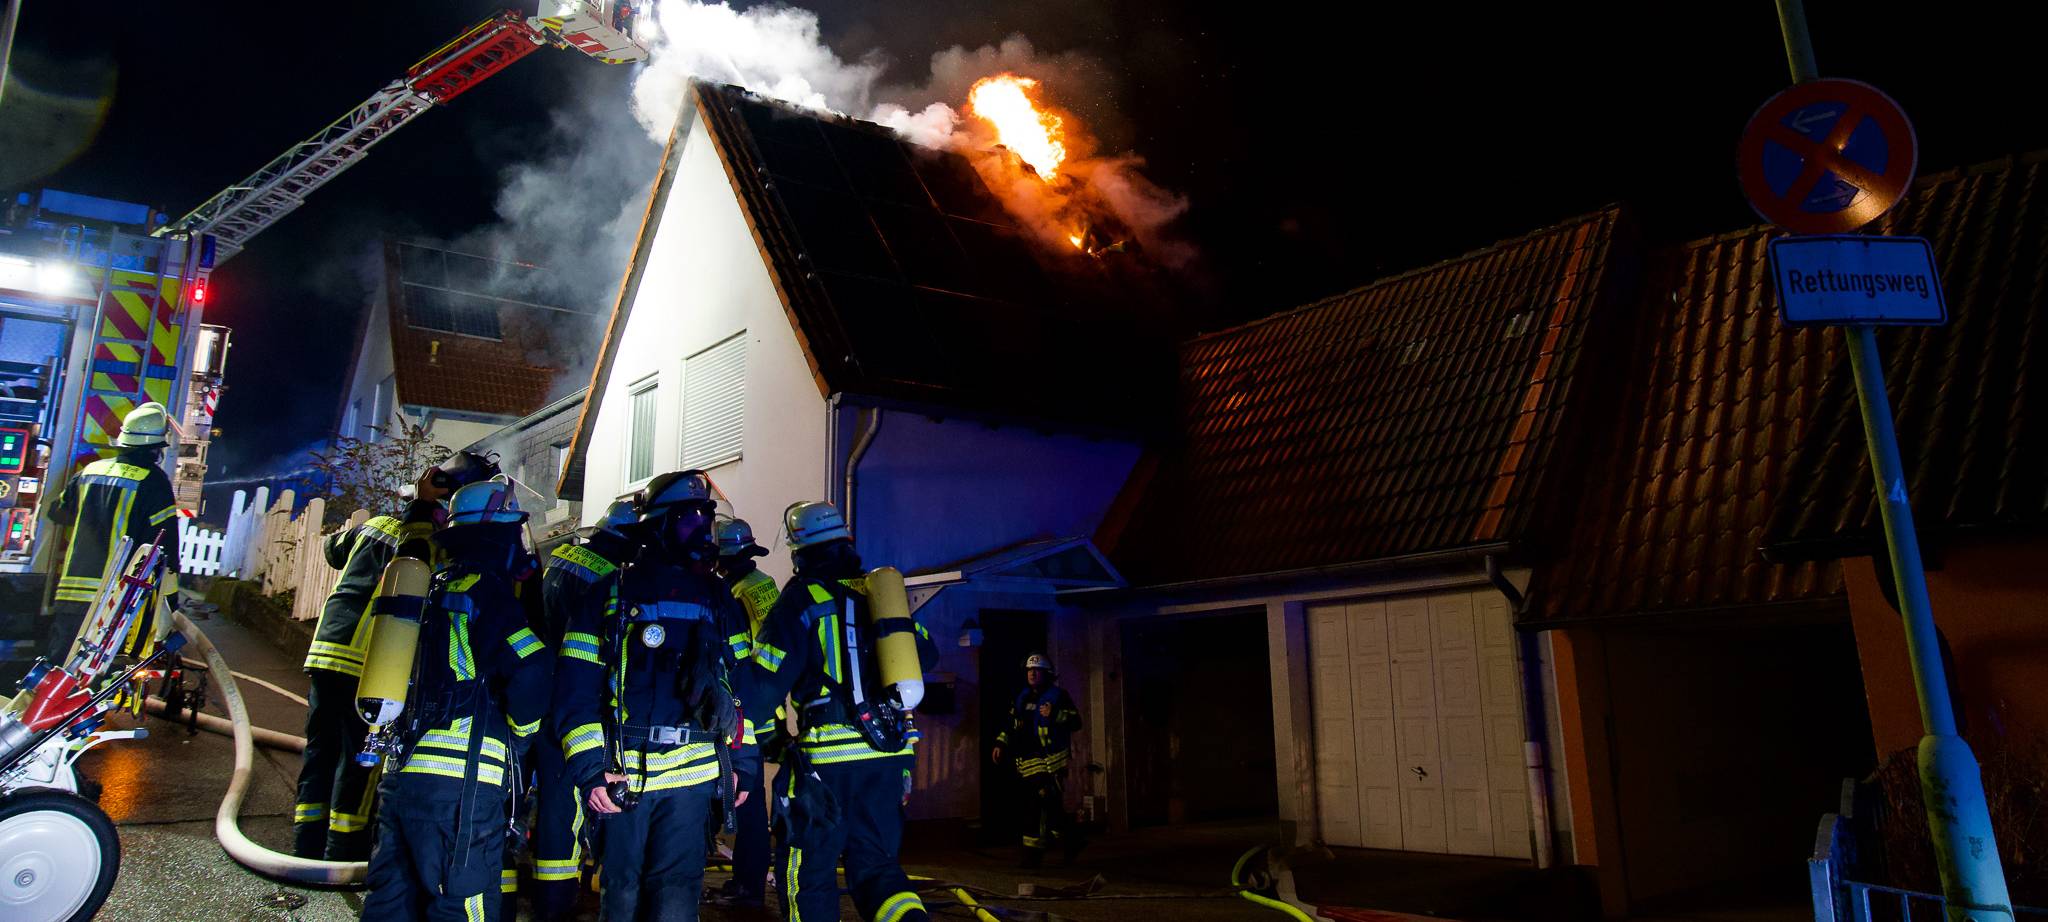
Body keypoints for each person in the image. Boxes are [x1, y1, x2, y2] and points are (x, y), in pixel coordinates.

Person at [553, 470, 758, 922]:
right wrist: (591, 771)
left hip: (693, 775)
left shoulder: (720, 599)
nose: (702, 531)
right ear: (658, 526)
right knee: (622, 891)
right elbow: (576, 692)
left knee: (676, 894)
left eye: (705, 518)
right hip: (624, 776)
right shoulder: (609, 594)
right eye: (689, 520)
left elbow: (741, 693)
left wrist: (742, 765)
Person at [359, 478, 552, 922]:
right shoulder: (486, 590)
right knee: (460, 904)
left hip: (400, 774)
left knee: (391, 901)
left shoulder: (425, 586)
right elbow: (532, 667)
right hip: (460, 786)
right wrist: (522, 735)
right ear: (499, 534)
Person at [293, 451, 497, 861]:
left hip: (328, 652)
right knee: (360, 762)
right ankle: (343, 852)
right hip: (370, 663)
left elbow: (333, 552)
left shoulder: (372, 527)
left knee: (320, 749)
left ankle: (304, 844)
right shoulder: (431, 542)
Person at [743, 500, 939, 922]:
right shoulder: (877, 595)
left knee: (806, 871)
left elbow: (764, 686)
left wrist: (760, 737)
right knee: (877, 867)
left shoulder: (800, 600)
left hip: (826, 764)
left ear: (799, 549)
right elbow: (928, 653)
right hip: (889, 758)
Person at [525, 498, 638, 920]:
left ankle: (534, 898)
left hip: (537, 693)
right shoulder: (609, 577)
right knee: (567, 805)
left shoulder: (561, 557)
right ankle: (557, 905)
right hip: (577, 703)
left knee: (538, 798)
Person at [43, 402, 182, 658]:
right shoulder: (154, 482)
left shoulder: (90, 472)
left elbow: (57, 511)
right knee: (99, 678)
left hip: (71, 594)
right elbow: (165, 549)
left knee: (58, 672)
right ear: (156, 449)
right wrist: (170, 600)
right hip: (114, 601)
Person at [708, 515, 779, 909]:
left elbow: (739, 656)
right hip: (763, 708)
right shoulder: (762, 585)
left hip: (740, 712)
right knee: (750, 800)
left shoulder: (733, 593)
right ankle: (748, 881)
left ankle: (748, 886)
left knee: (743, 800)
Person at [991, 653, 1084, 867]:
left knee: (1038, 803)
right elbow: (1011, 724)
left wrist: (1056, 714)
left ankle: (1034, 854)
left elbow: (1075, 721)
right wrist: (1000, 743)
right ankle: (1071, 839)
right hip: (1027, 759)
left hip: (1051, 760)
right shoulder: (1023, 697)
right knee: (1045, 804)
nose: (1032, 673)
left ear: (1046, 674)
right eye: (1029, 670)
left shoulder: (1059, 696)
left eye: (1037, 670)